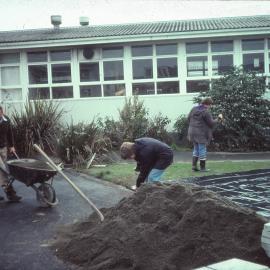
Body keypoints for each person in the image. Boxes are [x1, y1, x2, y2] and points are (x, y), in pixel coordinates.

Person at [187, 98, 223, 172]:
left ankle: (194, 166)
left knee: (196, 149)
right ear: (208, 104)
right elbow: (211, 123)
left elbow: (188, 118)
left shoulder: (194, 109)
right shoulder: (206, 112)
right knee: (202, 149)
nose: (210, 106)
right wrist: (219, 118)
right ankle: (202, 168)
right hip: (201, 133)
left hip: (192, 131)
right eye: (210, 105)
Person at [0, 106, 21, 202]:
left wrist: (11, 146)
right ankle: (10, 194)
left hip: (3, 148)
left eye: (0, 113)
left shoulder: (6, 120)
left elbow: (9, 134)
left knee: (2, 169)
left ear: (2, 112)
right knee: (3, 170)